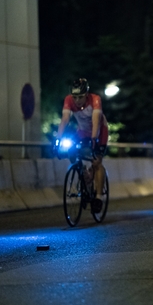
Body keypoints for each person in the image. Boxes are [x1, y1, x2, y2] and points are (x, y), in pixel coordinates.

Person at [55, 78, 108, 213]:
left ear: (87, 94)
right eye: (75, 97)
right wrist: (57, 140)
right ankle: (84, 172)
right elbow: (65, 119)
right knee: (72, 151)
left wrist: (94, 139)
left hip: (99, 131)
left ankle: (98, 197)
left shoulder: (95, 99)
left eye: (80, 97)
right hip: (82, 131)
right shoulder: (69, 100)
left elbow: (96, 121)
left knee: (96, 162)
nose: (77, 100)